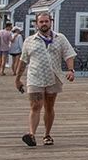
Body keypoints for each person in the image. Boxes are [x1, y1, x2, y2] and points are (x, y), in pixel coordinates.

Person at [13, 11, 75, 146]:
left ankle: (47, 134)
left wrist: (70, 70)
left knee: (49, 106)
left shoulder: (60, 38)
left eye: (46, 21)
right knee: (36, 106)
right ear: (36, 24)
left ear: (51, 22)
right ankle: (31, 135)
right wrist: (17, 79)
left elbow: (69, 54)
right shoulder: (29, 41)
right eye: (41, 22)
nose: (44, 24)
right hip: (35, 77)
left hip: (54, 77)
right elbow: (23, 61)